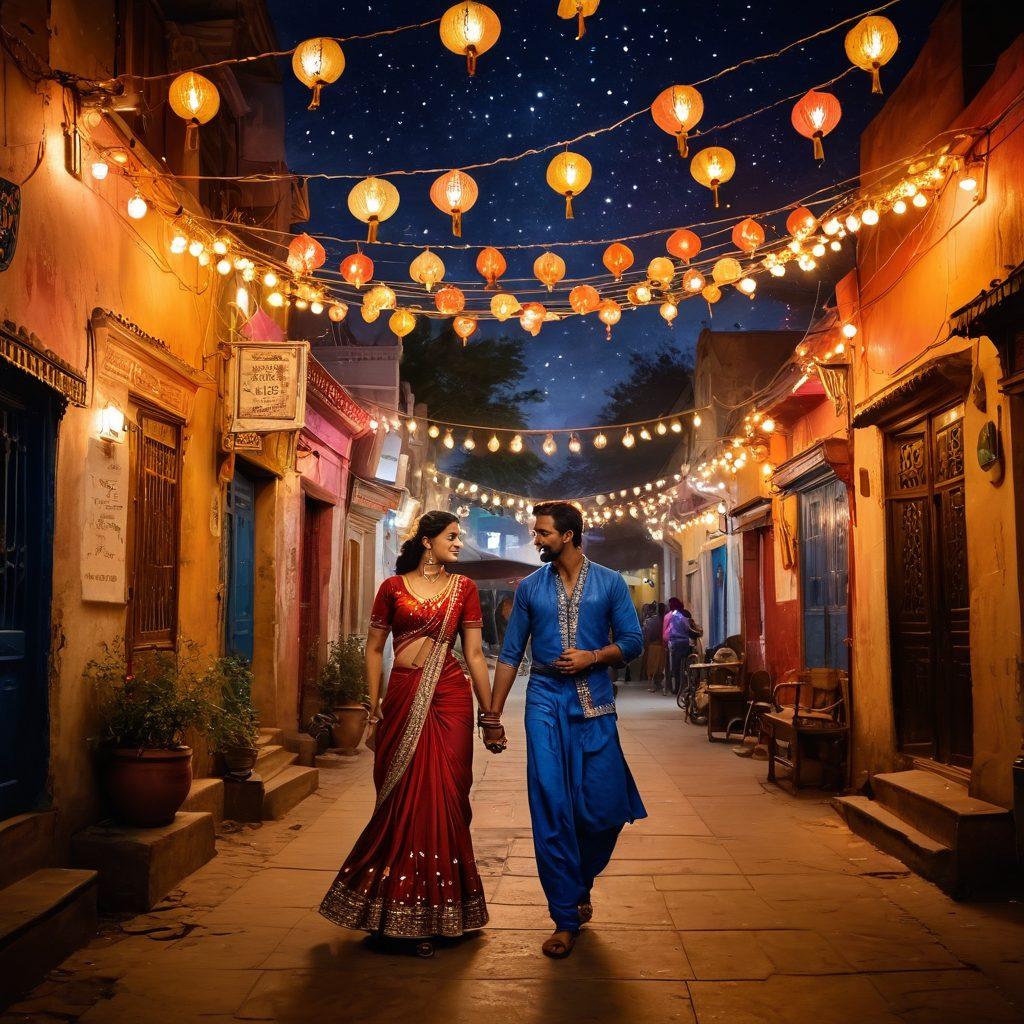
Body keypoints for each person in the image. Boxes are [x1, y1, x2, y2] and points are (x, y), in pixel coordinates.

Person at [319, 511, 500, 958]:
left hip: (450, 697)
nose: (458, 544)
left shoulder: (464, 589)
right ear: (426, 541)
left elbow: (475, 654)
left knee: (447, 793)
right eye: (451, 536)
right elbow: (373, 648)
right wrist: (373, 703)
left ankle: (445, 909)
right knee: (400, 797)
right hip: (401, 696)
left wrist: (490, 713)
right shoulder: (392, 588)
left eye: (458, 537)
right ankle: (395, 905)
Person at [480, 501, 646, 960]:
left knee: (604, 809)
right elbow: (511, 653)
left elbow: (632, 641)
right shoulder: (532, 588)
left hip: (595, 702)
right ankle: (565, 917)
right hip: (545, 702)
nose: (536, 539)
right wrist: (492, 716)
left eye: (543, 532)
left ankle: (580, 883)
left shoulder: (610, 583)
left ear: (568, 535)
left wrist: (594, 656)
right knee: (552, 806)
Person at [662, 597, 692, 697]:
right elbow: (689, 627)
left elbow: (665, 632)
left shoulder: (670, 616)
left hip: (675, 643)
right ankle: (688, 685)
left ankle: (677, 688)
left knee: (676, 667)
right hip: (686, 643)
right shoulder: (686, 614)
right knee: (687, 666)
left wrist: (665, 642)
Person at [642, 602, 667, 693]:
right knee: (660, 665)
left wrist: (646, 644)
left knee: (653, 665)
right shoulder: (666, 619)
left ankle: (653, 684)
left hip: (653, 645)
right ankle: (657, 683)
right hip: (662, 645)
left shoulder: (651, 621)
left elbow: (647, 635)